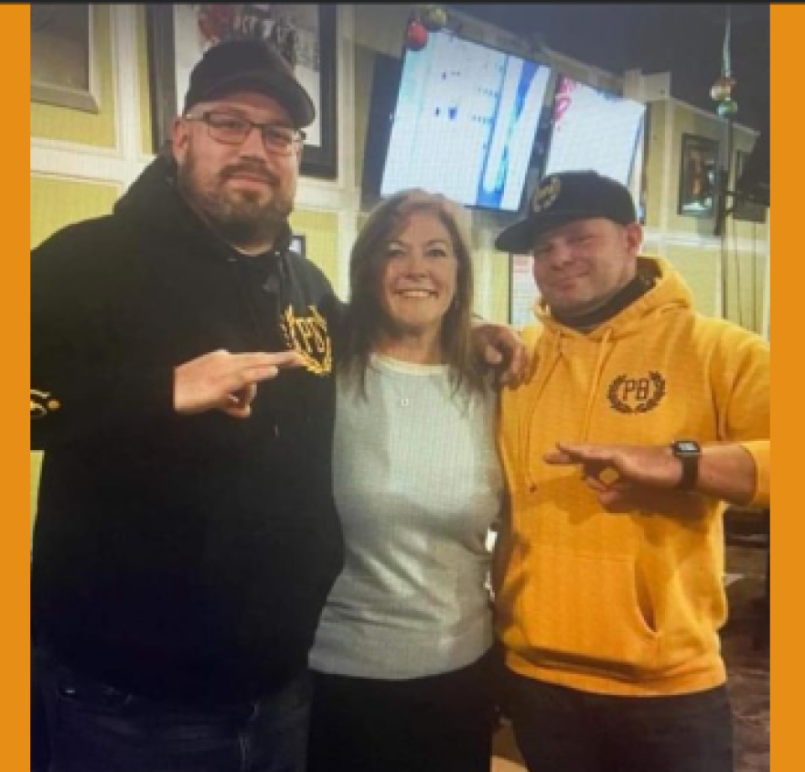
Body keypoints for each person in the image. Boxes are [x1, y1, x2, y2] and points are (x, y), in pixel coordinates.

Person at [30, 39, 526, 772]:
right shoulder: (89, 261)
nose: (253, 149)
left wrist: (470, 332)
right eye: (228, 123)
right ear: (181, 135)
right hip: (134, 704)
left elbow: (386, 325)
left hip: (283, 691)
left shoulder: (303, 284)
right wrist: (157, 391)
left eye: (277, 135)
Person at [492, 170, 770, 772]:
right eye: (543, 248)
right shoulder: (518, 359)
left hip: (668, 690)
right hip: (537, 679)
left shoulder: (716, 350)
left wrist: (682, 464)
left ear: (632, 237)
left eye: (579, 238)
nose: (559, 259)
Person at [307, 190, 504, 772]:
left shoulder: (494, 382)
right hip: (340, 677)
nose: (418, 269)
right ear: (368, 268)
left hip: (463, 674)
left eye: (438, 252)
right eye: (396, 252)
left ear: (459, 272)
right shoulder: (324, 374)